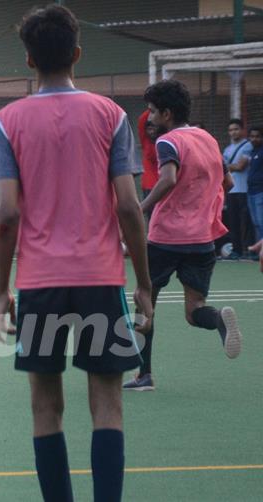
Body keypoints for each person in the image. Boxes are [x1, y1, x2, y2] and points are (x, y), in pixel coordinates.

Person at [0, 6, 152, 502]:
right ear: (77, 54)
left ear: (28, 61)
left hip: (40, 283)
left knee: (46, 408)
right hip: (101, 280)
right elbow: (128, 205)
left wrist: (2, 290)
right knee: (108, 404)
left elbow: (7, 217)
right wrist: (144, 283)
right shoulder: (111, 115)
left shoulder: (7, 120)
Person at [124, 80, 242, 392]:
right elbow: (227, 183)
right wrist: (202, 203)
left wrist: (142, 207)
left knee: (144, 302)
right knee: (194, 310)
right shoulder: (208, 139)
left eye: (151, 112)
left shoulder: (168, 142)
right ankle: (217, 319)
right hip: (202, 239)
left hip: (166, 238)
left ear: (166, 113)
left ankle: (143, 375)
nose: (149, 119)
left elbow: (169, 178)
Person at [221, 119, 254, 260]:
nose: (233, 132)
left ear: (242, 130)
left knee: (247, 222)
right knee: (233, 222)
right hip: (232, 191)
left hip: (244, 189)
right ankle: (236, 250)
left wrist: (225, 166)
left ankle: (250, 250)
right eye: (231, 130)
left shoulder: (248, 146)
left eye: (236, 129)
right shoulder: (227, 149)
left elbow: (240, 166)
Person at [246, 126, 263, 244]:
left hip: (261, 191)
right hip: (251, 191)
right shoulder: (253, 151)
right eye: (252, 136)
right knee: (256, 223)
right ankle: (259, 251)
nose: (254, 139)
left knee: (261, 222)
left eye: (257, 136)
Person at [138, 109, 160, 202]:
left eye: (153, 129)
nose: (151, 132)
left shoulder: (163, 141)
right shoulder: (146, 141)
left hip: (164, 183)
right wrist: (153, 108)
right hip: (149, 185)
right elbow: (142, 120)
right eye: (149, 129)